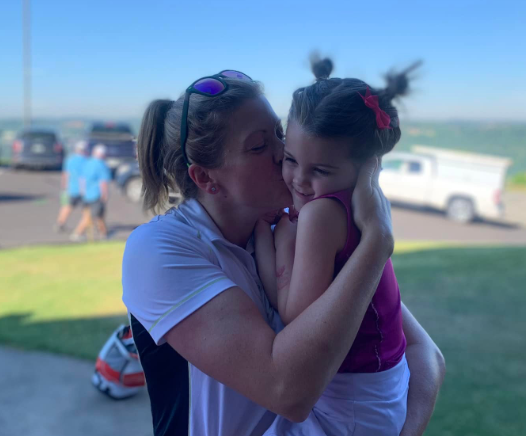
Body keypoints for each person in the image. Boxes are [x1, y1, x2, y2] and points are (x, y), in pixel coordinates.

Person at [122, 70, 445, 436]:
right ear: (206, 178)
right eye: (259, 146)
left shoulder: (289, 230)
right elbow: (289, 392)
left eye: (279, 132)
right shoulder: (160, 250)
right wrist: (376, 242)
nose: (284, 153)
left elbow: (424, 352)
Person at [255, 57, 420, 435]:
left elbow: (296, 317)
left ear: (365, 169)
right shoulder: (359, 208)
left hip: (353, 403)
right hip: (380, 389)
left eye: (320, 170)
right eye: (291, 160)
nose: (299, 180)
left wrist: (272, 238)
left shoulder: (321, 214)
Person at [70, 144, 111, 241]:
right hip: (96, 195)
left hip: (86, 195)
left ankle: (104, 233)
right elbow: (103, 182)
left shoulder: (88, 163)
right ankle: (77, 233)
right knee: (90, 216)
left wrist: (82, 191)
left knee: (99, 215)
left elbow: (82, 179)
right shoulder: (101, 165)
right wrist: (105, 195)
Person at [54, 140, 87, 232]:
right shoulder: (87, 161)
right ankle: (82, 228)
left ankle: (60, 223)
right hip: (83, 190)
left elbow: (65, 174)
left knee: (67, 207)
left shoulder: (70, 160)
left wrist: (64, 187)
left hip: (71, 188)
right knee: (86, 210)